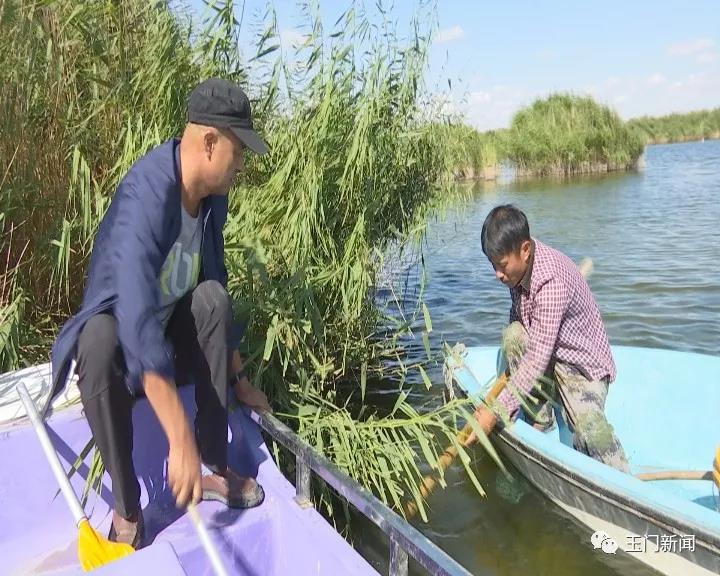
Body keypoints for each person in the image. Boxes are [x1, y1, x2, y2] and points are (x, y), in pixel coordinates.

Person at [45, 78, 272, 549]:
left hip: (170, 339)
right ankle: (128, 511)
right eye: (240, 151)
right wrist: (177, 436)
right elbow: (133, 316)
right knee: (98, 339)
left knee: (212, 298)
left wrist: (239, 377)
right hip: (125, 353)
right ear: (210, 142)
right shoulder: (144, 196)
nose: (242, 165)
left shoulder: (212, 200)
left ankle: (213, 465)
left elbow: (217, 277)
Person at [470, 204, 629, 473]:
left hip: (581, 367)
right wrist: (504, 395)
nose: (497, 274)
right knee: (514, 334)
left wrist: (496, 410)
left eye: (502, 265)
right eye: (493, 265)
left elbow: (536, 360)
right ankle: (540, 418)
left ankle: (623, 478)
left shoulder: (550, 281)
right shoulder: (518, 271)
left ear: (525, 250)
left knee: (589, 428)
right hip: (550, 354)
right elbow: (521, 326)